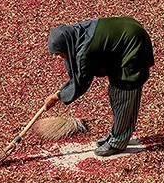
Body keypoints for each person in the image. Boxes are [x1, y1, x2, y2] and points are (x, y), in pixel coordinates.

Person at [43, 16, 155, 157]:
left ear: (66, 44)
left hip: (132, 44)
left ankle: (118, 142)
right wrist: (59, 93)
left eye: (59, 53)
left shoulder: (84, 52)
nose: (59, 57)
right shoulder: (77, 34)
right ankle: (118, 133)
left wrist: (57, 96)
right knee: (116, 94)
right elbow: (76, 74)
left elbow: (81, 81)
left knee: (124, 93)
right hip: (126, 34)